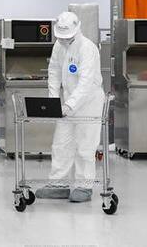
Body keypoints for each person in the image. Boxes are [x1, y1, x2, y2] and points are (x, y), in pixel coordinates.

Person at [35, 11, 105, 203]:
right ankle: (58, 185)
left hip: (88, 104)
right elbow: (54, 72)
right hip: (66, 103)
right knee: (60, 144)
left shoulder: (87, 48)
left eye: (67, 37)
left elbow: (85, 83)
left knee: (85, 146)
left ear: (77, 30)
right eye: (61, 37)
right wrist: (53, 99)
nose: (64, 40)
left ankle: (84, 187)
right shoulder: (59, 45)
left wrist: (70, 105)